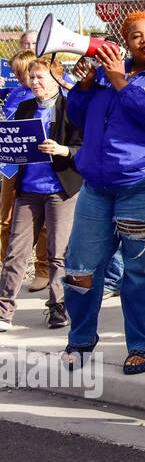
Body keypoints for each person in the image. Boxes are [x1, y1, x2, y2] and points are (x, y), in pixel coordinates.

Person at [62, 12, 145, 374]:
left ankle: (142, 344)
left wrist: (122, 83)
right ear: (126, 41)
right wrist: (86, 87)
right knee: (80, 266)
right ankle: (80, 339)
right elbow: (77, 116)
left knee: (140, 267)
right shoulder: (109, 72)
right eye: (136, 36)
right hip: (98, 185)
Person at [0, 57, 81, 332]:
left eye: (40, 77)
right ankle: (4, 309)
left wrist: (64, 151)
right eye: (32, 77)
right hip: (28, 190)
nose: (34, 82)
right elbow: (12, 143)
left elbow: (87, 147)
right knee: (16, 251)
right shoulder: (24, 108)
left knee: (58, 253)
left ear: (56, 79)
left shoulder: (71, 108)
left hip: (60, 190)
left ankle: (58, 308)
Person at [0, 50, 50, 292]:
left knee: (42, 224)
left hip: (39, 166)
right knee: (6, 218)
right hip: (12, 164)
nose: (21, 79)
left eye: (24, 73)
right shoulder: (15, 95)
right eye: (17, 74)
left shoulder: (45, 93)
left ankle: (42, 269)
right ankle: (6, 267)